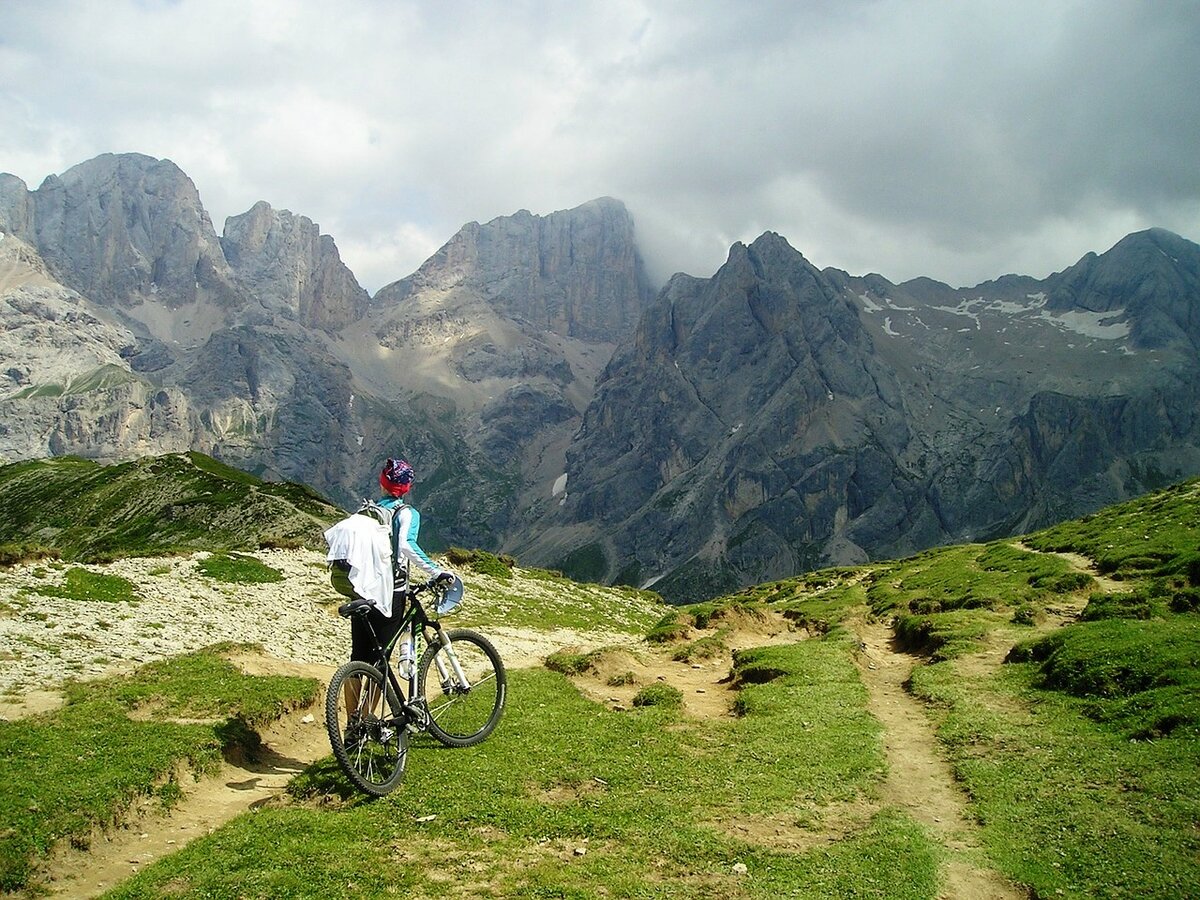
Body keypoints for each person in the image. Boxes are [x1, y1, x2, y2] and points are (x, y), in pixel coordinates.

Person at [347, 458, 454, 667]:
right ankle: (373, 700)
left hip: (361, 588)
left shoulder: (366, 511)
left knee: (358, 656)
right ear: (407, 487)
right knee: (381, 659)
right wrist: (435, 572)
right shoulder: (407, 513)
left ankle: (346, 699)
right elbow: (406, 545)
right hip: (391, 593)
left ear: (382, 484)